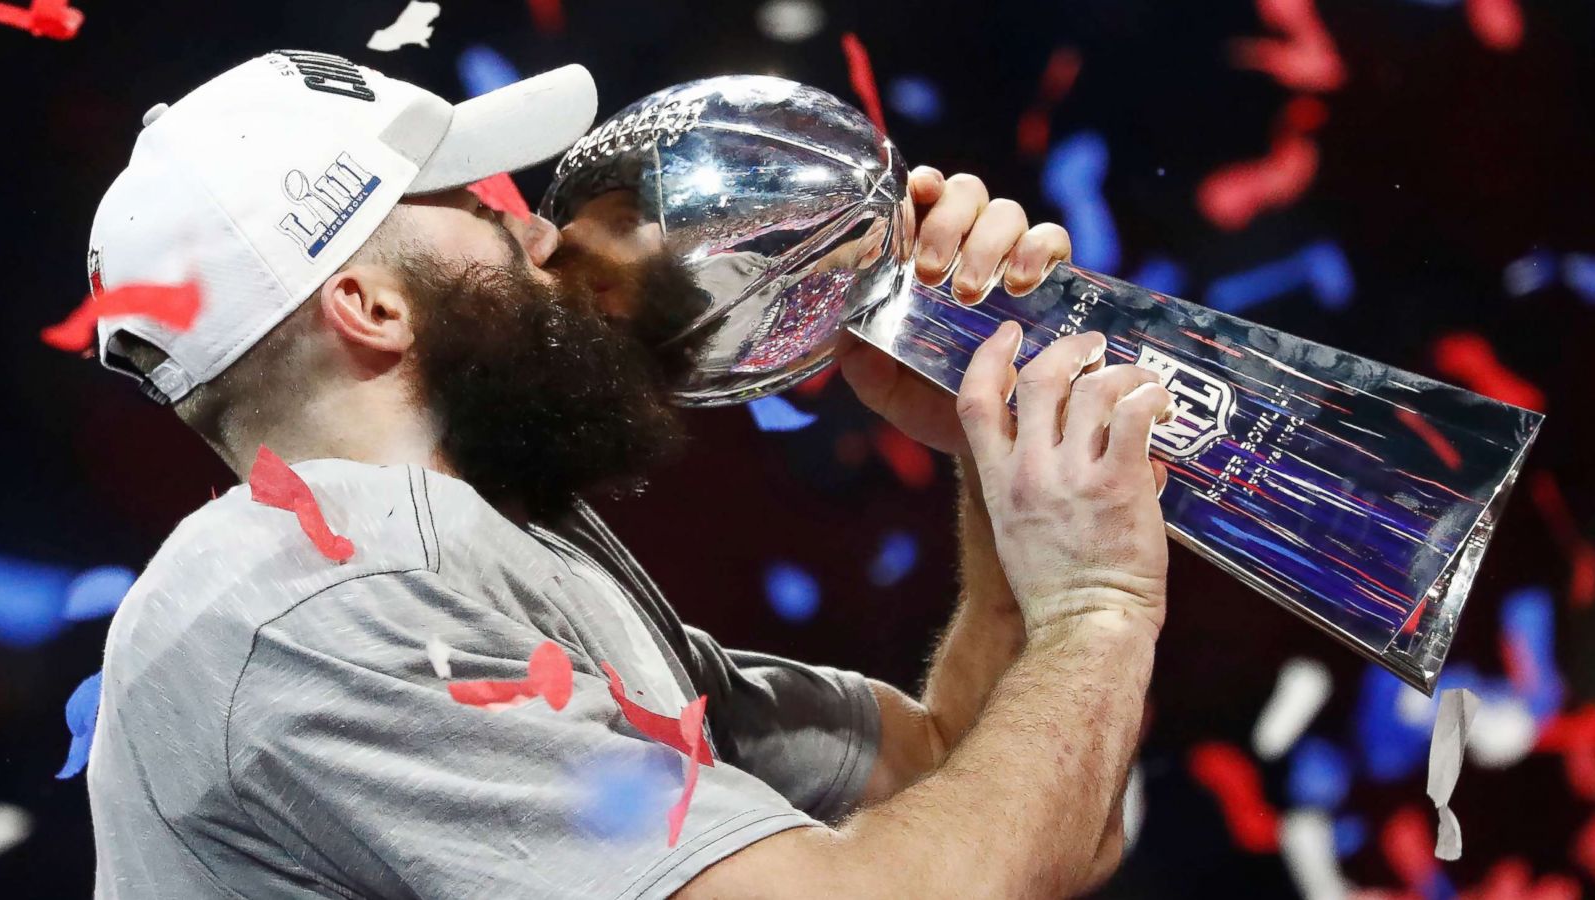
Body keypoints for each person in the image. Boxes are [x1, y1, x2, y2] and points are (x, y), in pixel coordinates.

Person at [82, 50, 1174, 899]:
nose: (541, 233)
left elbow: (979, 794)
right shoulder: (323, 605)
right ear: (370, 307)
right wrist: (1098, 606)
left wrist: (993, 443)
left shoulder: (487, 537)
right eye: (473, 206)